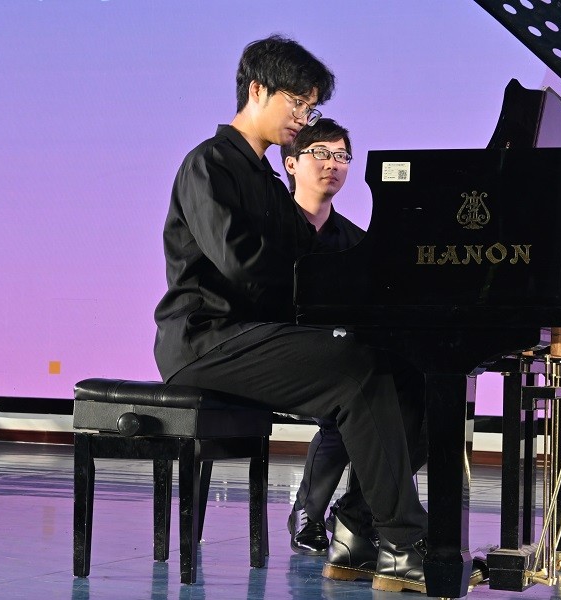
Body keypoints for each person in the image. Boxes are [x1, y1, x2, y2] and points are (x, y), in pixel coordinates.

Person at [153, 35, 432, 592]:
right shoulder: (208, 164)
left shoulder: (266, 180)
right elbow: (243, 264)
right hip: (206, 341)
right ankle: (404, 545)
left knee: (413, 374)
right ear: (257, 90)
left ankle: (356, 532)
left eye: (311, 107)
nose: (304, 118)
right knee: (357, 369)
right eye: (298, 104)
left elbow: (313, 260)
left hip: (254, 335)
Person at [279, 118, 362, 556]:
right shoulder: (271, 225)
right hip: (273, 350)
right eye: (321, 154)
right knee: (351, 397)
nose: (333, 164)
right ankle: (312, 512)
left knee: (404, 400)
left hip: (330, 353)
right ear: (291, 163)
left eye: (342, 156)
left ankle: (352, 513)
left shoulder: (356, 242)